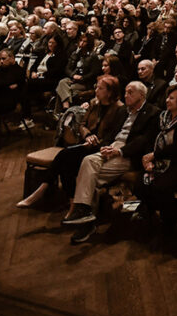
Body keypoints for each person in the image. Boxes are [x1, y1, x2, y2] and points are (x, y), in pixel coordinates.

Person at [61, 81, 160, 244]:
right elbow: (111, 133)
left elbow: (144, 140)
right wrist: (105, 146)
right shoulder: (123, 111)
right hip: (111, 148)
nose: (126, 95)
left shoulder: (152, 113)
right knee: (88, 162)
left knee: (87, 173)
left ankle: (85, 217)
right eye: (126, 92)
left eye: (130, 92)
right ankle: (85, 213)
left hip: (128, 154)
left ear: (141, 95)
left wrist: (119, 151)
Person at [17, 75, 125, 208]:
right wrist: (88, 136)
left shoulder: (119, 109)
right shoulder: (94, 103)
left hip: (102, 147)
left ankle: (43, 192)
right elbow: (82, 124)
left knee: (64, 157)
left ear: (110, 92)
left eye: (100, 88)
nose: (96, 90)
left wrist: (95, 141)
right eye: (96, 87)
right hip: (86, 143)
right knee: (65, 164)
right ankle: (71, 203)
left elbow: (114, 134)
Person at [132, 84, 177, 237]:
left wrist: (155, 155)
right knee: (140, 185)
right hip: (159, 161)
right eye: (168, 97)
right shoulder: (163, 116)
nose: (168, 100)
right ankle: (172, 210)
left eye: (172, 98)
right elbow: (151, 138)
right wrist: (149, 158)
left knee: (160, 187)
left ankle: (168, 221)